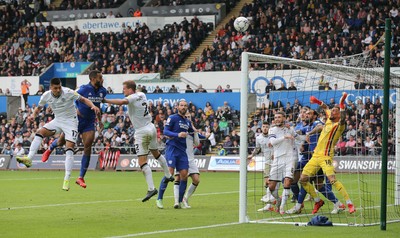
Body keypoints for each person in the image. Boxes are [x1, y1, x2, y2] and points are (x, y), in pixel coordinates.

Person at [16, 78, 101, 191]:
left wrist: (93, 106)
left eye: (59, 87)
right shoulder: (46, 95)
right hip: (58, 120)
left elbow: (84, 100)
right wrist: (33, 115)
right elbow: (38, 108)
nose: (58, 89)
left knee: (69, 149)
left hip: (71, 122)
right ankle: (29, 158)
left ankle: (66, 180)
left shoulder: (68, 92)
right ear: (51, 88)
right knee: (39, 133)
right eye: (55, 88)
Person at [102, 80, 174, 202]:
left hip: (141, 131)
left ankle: (151, 188)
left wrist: (105, 100)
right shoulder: (142, 94)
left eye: (124, 89)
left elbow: (122, 101)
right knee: (156, 153)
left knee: (142, 162)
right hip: (151, 127)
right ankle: (168, 175)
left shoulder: (132, 97)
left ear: (130, 89)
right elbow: (132, 96)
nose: (123, 91)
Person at [41, 70, 107, 189]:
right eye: (100, 78)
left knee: (88, 146)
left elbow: (98, 107)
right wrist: (54, 105)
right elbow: (67, 96)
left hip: (89, 123)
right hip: (76, 120)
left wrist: (100, 121)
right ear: (92, 79)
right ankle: (50, 149)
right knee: (61, 142)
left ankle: (81, 177)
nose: (102, 80)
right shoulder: (83, 89)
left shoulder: (103, 91)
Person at [299, 93, 356, 214]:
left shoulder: (339, 125)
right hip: (315, 156)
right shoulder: (329, 118)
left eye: (335, 111)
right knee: (303, 179)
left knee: (332, 180)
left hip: (325, 157)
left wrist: (342, 104)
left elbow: (343, 118)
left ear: (339, 115)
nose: (331, 112)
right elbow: (325, 107)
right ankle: (317, 200)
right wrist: (317, 101)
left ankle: (349, 203)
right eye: (332, 110)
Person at [287, 109, 345, 215]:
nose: (306, 115)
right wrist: (289, 130)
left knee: (303, 180)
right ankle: (338, 204)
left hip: (317, 158)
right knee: (318, 185)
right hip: (310, 157)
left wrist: (309, 133)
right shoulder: (308, 126)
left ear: (314, 116)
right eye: (305, 113)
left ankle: (299, 206)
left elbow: (320, 128)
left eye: (309, 113)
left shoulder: (318, 123)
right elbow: (300, 132)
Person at [156, 112, 203, 209]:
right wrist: (176, 134)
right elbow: (167, 131)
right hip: (174, 151)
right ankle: (167, 199)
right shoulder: (175, 121)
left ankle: (183, 199)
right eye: (186, 116)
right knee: (172, 174)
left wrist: (195, 131)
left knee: (194, 179)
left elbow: (197, 142)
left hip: (188, 157)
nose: (188, 117)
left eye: (189, 116)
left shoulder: (189, 127)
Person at [162, 99, 194, 208]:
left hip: (182, 151)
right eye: (181, 105)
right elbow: (165, 131)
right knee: (169, 173)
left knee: (184, 175)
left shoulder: (187, 122)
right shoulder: (172, 118)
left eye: (185, 106)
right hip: (172, 148)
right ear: (177, 107)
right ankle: (159, 198)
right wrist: (177, 134)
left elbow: (192, 131)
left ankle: (179, 202)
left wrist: (203, 135)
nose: (183, 107)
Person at [268, 111, 300, 214]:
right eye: (275, 117)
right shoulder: (272, 129)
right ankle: (278, 199)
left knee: (287, 181)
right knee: (271, 186)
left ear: (284, 118)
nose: (277, 119)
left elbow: (298, 137)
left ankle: (282, 208)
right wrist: (284, 137)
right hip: (277, 159)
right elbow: (272, 142)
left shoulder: (289, 128)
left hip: (290, 158)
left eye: (279, 117)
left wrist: (304, 137)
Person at [247, 121, 276, 212]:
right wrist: (252, 155)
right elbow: (257, 148)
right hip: (267, 162)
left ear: (269, 128)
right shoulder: (258, 138)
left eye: (267, 127)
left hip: (277, 161)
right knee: (267, 182)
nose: (265, 128)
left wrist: (275, 153)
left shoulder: (273, 136)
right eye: (264, 126)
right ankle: (270, 203)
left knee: (277, 183)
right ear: (261, 127)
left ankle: (275, 201)